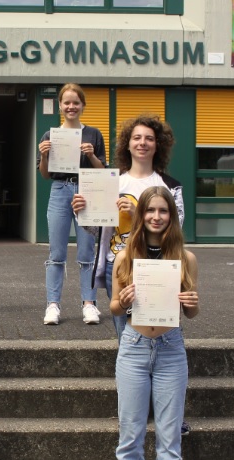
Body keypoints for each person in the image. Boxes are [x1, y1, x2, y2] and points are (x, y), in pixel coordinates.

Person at [110, 186, 199, 460]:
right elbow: (115, 309)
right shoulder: (125, 256)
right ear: (141, 214)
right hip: (133, 347)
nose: (156, 217)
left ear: (171, 216)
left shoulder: (185, 258)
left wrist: (191, 301)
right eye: (150, 210)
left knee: (169, 433)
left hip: (171, 349)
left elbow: (192, 312)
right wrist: (125, 298)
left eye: (163, 211)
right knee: (130, 433)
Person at [73, 114, 183, 338]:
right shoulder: (111, 182)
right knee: (125, 334)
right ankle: (129, 372)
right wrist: (82, 214)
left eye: (149, 138)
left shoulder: (170, 186)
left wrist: (138, 216)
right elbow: (98, 231)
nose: (142, 143)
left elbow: (176, 229)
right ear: (128, 144)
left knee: (158, 331)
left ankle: (157, 370)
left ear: (158, 144)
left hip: (157, 264)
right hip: (118, 264)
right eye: (137, 138)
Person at [37, 83, 106, 326]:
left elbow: (102, 170)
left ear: (83, 105)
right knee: (56, 252)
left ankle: (89, 304)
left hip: (87, 190)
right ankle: (53, 305)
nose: (71, 106)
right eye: (67, 102)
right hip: (59, 190)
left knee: (87, 252)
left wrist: (91, 155)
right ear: (60, 105)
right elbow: (45, 175)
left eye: (76, 102)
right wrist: (44, 154)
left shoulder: (94, 134)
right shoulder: (50, 135)